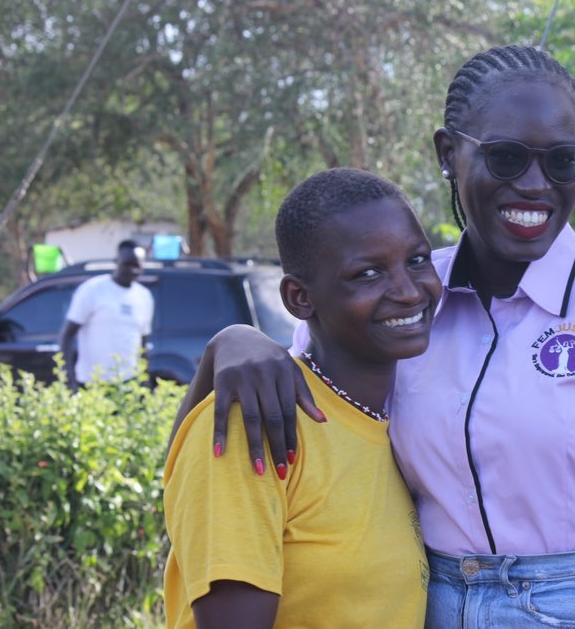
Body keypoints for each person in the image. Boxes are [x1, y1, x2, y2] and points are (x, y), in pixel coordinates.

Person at [180, 45, 575, 627]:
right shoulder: (406, 298)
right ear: (449, 153)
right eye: (507, 158)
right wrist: (233, 341)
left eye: (563, 161)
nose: (537, 185)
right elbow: (304, 404)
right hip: (426, 605)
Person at [163, 168, 439, 628]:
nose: (409, 292)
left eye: (417, 260)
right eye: (367, 273)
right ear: (299, 298)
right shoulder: (254, 420)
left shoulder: (401, 424)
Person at [59, 239, 154, 389]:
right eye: (127, 264)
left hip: (128, 383)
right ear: (116, 262)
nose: (131, 270)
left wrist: (144, 380)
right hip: (92, 383)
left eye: (136, 265)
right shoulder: (93, 290)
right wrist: (69, 380)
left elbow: (143, 342)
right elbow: (67, 335)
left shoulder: (144, 296)